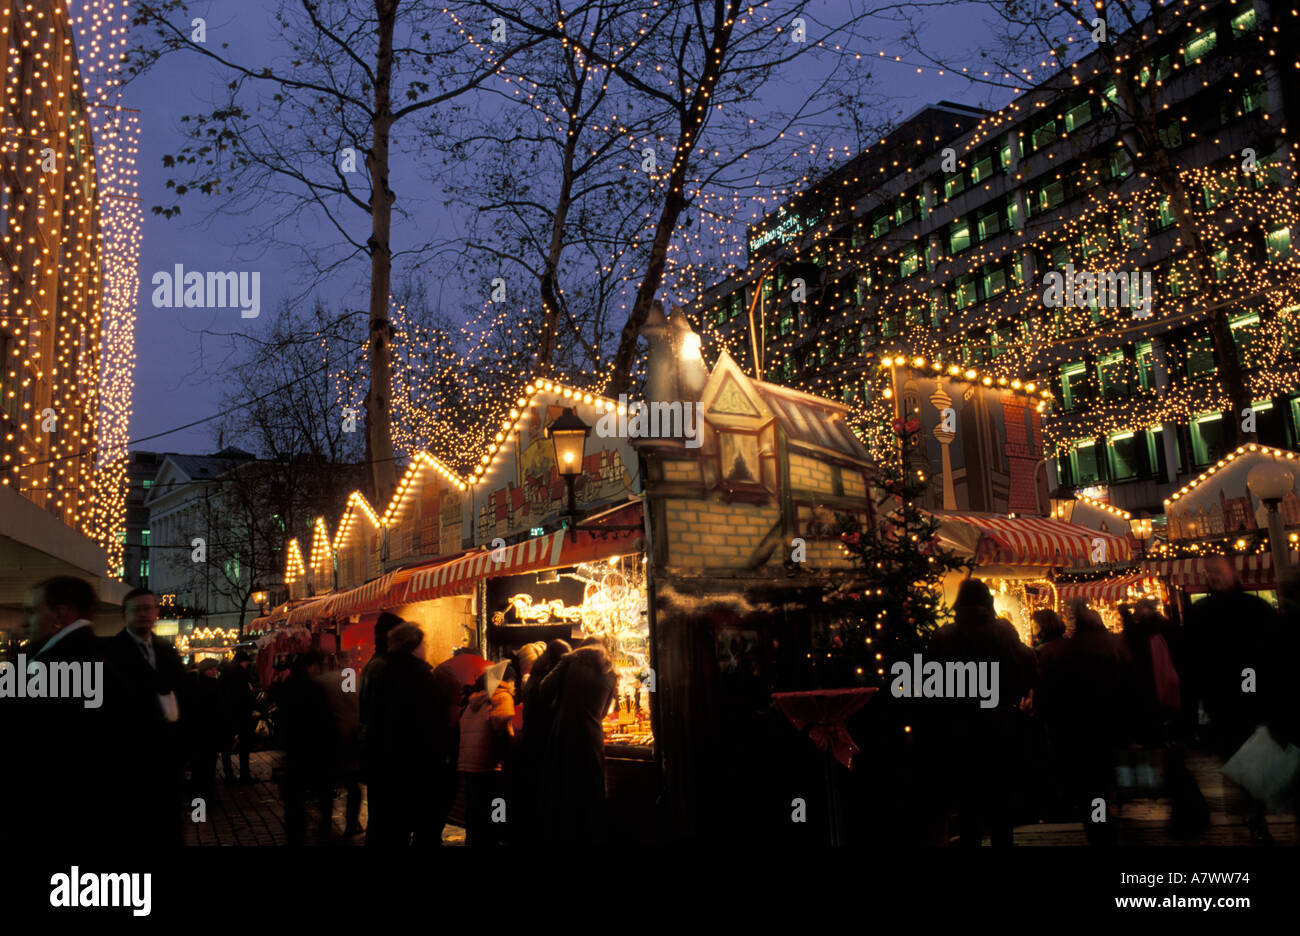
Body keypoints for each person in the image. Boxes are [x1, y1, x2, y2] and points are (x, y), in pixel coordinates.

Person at [8, 577, 123, 846]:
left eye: (33, 611)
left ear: (60, 613)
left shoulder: (44, 671)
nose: (25, 622)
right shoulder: (108, 659)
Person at [927, 579, 1035, 847]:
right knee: (1000, 799)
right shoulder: (1004, 633)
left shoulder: (944, 636)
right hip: (998, 724)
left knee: (967, 801)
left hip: (959, 726)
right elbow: (1026, 669)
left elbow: (932, 683)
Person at [1184, 555, 1280, 843]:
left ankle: (1252, 812)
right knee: (1239, 758)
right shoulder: (1212, 611)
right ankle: (1252, 813)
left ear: (1232, 572)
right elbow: (1192, 664)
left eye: (1218, 571)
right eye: (1210, 572)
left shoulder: (1246, 609)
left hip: (1245, 699)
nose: (1214, 576)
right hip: (1229, 701)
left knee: (1246, 758)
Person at [1037, 599, 1130, 845]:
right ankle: (1108, 820)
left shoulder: (1069, 651)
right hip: (1107, 729)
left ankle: (1099, 828)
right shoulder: (1112, 647)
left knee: (1091, 788)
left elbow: (1052, 695)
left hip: (1078, 733)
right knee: (1104, 782)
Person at [107, 587, 189, 846]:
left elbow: (185, 695)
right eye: (137, 609)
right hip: (131, 766)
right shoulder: (109, 653)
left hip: (168, 762)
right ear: (125, 614)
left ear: (156, 612)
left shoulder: (167, 651)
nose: (144, 614)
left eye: (149, 608)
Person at [365, 623, 450, 845]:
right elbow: (432, 722)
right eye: (424, 643)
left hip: (387, 764)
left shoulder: (381, 672)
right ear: (414, 646)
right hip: (418, 765)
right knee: (425, 828)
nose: (427, 647)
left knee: (393, 830)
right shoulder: (422, 675)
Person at [537, 643, 618, 845]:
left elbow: (544, 689)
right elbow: (606, 708)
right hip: (592, 736)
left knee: (564, 792)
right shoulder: (610, 672)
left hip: (564, 734)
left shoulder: (570, 663)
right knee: (591, 792)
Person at [279, 652, 339, 845]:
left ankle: (296, 831)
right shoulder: (314, 688)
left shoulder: (288, 687)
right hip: (315, 750)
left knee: (295, 797)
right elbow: (325, 720)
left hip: (295, 750)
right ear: (310, 667)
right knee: (323, 792)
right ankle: (324, 829)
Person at [458, 661, 516, 846]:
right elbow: (502, 722)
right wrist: (512, 733)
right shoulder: (502, 695)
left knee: (474, 806)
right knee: (497, 803)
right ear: (508, 680)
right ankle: (495, 838)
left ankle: (474, 839)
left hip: (469, 762)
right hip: (490, 761)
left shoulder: (474, 699)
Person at [516, 639, 570, 837]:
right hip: (543, 741)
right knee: (543, 793)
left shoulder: (533, 678)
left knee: (534, 794)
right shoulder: (545, 679)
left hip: (531, 740)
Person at [186, 658, 227, 800]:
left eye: (216, 669)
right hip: (207, 731)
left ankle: (202, 794)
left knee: (204, 765)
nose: (215, 671)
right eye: (212, 669)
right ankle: (203, 797)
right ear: (205, 670)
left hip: (205, 731)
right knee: (205, 765)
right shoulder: (207, 686)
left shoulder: (200, 684)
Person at [218, 650, 259, 784]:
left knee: (226, 746)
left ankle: (229, 775)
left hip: (226, 714)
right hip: (242, 714)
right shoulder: (242, 674)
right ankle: (244, 775)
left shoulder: (225, 673)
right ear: (244, 662)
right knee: (244, 746)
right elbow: (247, 694)